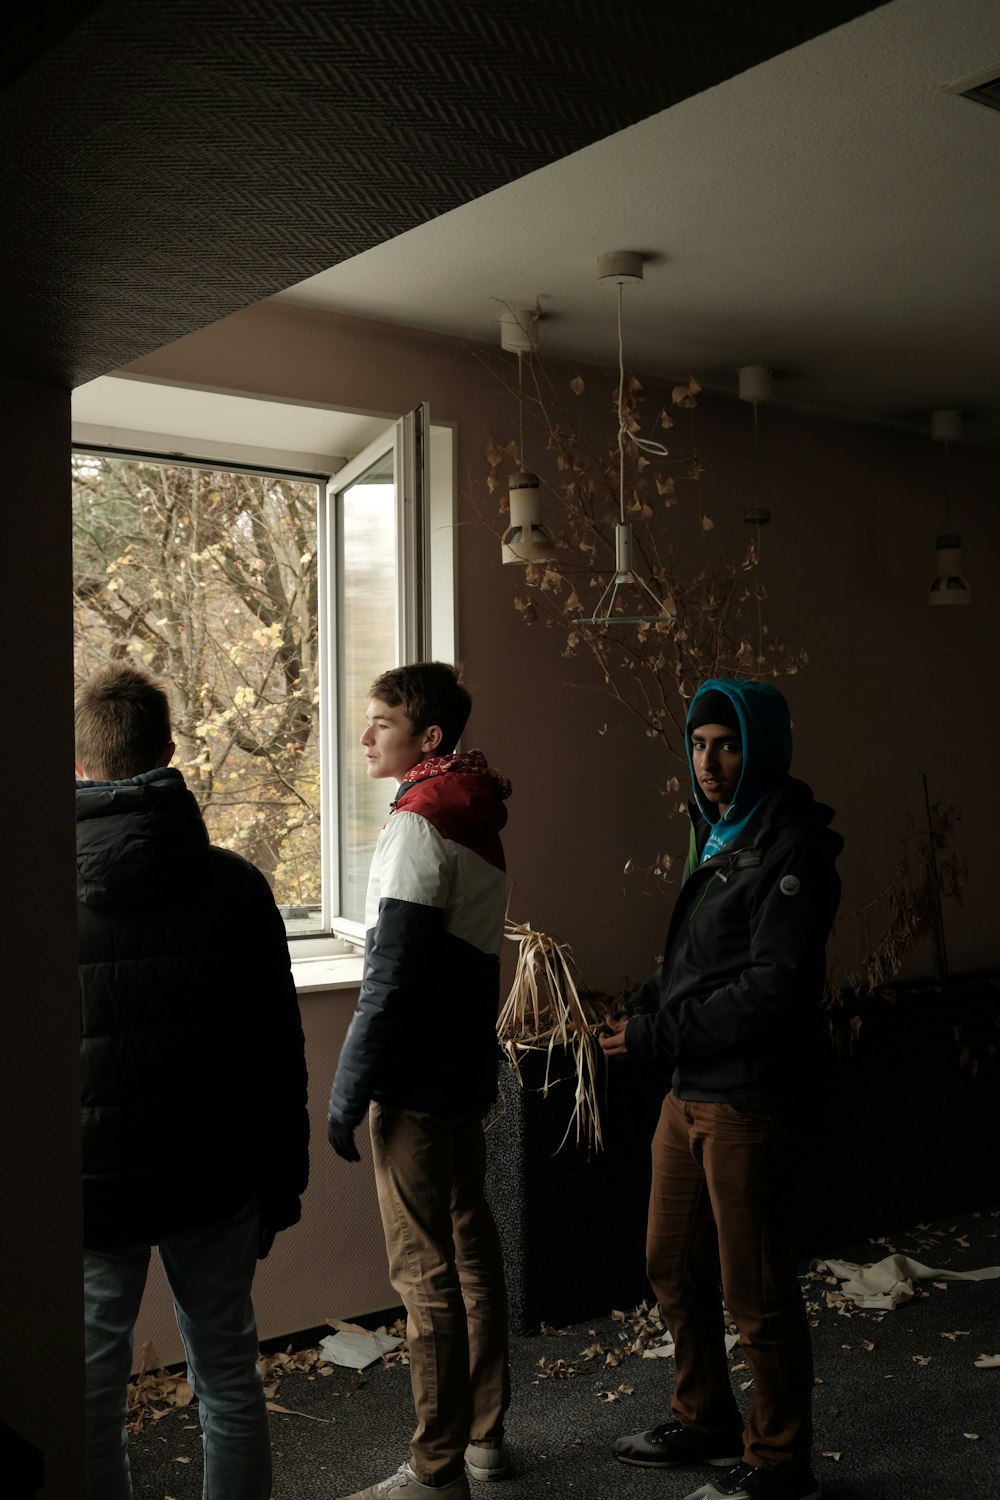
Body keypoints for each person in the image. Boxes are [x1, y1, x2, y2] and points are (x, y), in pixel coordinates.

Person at [600, 678, 842, 1500]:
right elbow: (699, 964)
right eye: (699, 744)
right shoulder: (719, 834)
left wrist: (656, 1033)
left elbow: (772, 990)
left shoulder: (792, 849)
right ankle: (706, 1419)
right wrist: (641, 1007)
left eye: (727, 743)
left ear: (762, 748)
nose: (709, 761)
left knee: (758, 1292)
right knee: (671, 1263)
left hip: (749, 1098)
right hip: (688, 1090)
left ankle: (779, 1467)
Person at [76, 662, 309, 1500]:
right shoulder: (237, 889)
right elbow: (277, 1056)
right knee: (230, 1379)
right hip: (214, 1175)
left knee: (91, 1397)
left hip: (89, 1186)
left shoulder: (38, 893)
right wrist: (283, 1186)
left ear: (77, 763)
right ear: (171, 752)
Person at [327, 662, 512, 1500]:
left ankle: (434, 1473)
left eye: (379, 722)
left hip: (415, 1087)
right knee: (472, 1254)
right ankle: (483, 1441)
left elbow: (392, 975)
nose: (365, 737)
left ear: (428, 737)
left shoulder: (417, 822)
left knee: (424, 1275)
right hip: (464, 1074)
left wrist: (348, 1089)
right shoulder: (475, 816)